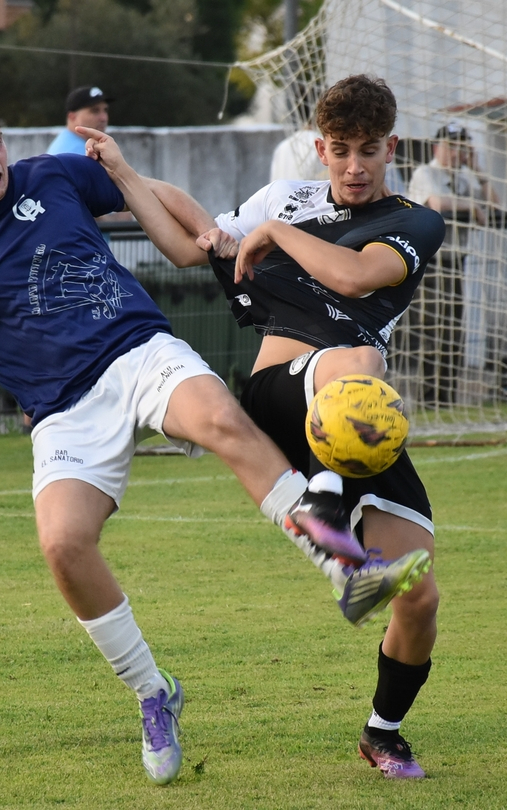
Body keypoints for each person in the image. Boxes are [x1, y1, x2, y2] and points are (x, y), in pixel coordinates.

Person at [0, 83, 423, 786]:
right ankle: (154, 692)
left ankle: (345, 568)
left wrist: (213, 237)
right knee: (63, 545)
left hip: (138, 350)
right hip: (63, 409)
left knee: (223, 420)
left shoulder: (50, 175)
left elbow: (151, 191)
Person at [132, 75, 447, 780]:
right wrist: (123, 173)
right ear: (321, 148)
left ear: (391, 147)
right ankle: (326, 516)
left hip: (354, 420)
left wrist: (275, 234)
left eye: (369, 149)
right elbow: (193, 242)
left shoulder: (417, 221)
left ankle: (382, 734)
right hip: (281, 397)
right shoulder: (285, 198)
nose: (354, 165)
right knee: (360, 359)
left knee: (419, 597)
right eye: (340, 149)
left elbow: (357, 277)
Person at [406, 121, 500, 406]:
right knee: (432, 331)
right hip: (430, 264)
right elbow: (437, 203)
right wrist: (471, 206)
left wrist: (478, 171)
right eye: (453, 145)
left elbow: (495, 206)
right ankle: (429, 399)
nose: (459, 152)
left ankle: (447, 398)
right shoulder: (426, 172)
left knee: (453, 332)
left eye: (463, 146)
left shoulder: (464, 181)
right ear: (438, 148)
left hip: (455, 263)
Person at [45, 86, 111, 156]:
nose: (104, 118)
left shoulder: (66, 142)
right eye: (95, 111)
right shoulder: (78, 153)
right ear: (72, 117)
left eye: (105, 110)